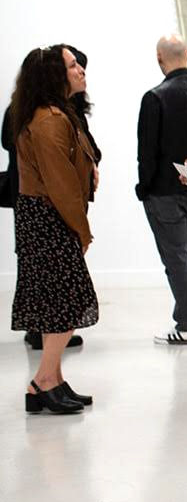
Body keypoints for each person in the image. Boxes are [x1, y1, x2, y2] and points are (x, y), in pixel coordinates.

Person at [9, 46, 98, 414]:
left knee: (56, 303)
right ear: (54, 76)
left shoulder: (57, 114)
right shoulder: (48, 120)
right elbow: (60, 183)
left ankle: (54, 380)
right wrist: (82, 230)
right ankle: (42, 381)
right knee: (65, 304)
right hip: (50, 218)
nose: (80, 69)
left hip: (46, 216)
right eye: (72, 65)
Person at [136, 35, 187, 346]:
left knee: (177, 256)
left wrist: (143, 188)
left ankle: (186, 324)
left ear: (159, 58)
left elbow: (148, 152)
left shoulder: (155, 97)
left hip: (165, 190)